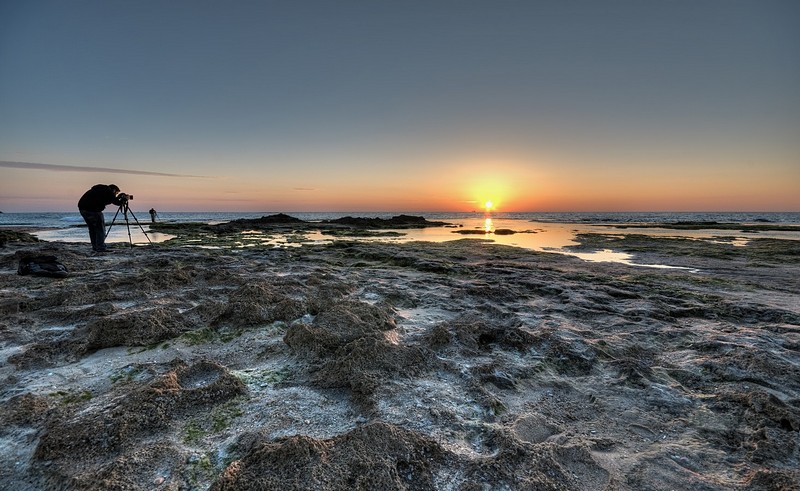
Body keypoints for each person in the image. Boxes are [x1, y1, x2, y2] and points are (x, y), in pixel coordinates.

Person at [77, 184, 126, 253]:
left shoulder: (99, 190)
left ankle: (95, 247)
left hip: (83, 209)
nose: (115, 194)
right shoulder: (108, 191)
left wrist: (117, 198)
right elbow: (116, 202)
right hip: (93, 210)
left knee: (92, 229)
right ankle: (101, 248)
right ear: (114, 190)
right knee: (100, 229)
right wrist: (123, 200)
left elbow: (108, 200)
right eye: (116, 193)